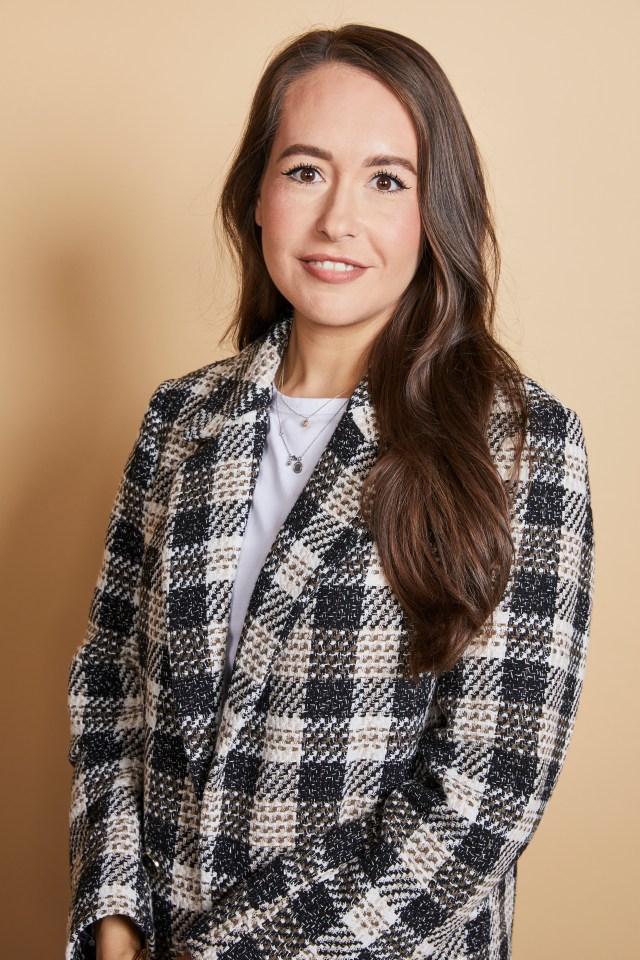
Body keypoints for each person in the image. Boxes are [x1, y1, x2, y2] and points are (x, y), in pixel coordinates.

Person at [65, 23, 595, 960]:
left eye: (387, 180)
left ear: (435, 213)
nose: (337, 218)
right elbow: (113, 689)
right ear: (257, 197)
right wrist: (113, 923)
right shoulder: (180, 421)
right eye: (306, 170)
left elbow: (482, 800)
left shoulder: (519, 444)